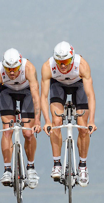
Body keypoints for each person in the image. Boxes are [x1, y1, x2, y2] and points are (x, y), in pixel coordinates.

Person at [41, 41, 97, 187]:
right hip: (57, 85)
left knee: (83, 127)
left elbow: (90, 95)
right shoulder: (48, 66)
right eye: (59, 62)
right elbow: (43, 96)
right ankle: (57, 163)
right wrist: (46, 121)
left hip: (78, 85)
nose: (63, 65)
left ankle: (83, 166)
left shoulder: (82, 65)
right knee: (56, 123)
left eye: (66, 61)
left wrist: (91, 120)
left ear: (72, 58)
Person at [0, 48, 41, 189]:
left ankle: (31, 168)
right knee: (7, 131)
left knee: (28, 133)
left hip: (27, 91)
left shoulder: (29, 68)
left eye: (15, 69)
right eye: (8, 69)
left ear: (20, 65)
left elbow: (36, 97)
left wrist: (37, 121)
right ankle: (7, 170)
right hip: (7, 92)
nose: (11, 72)